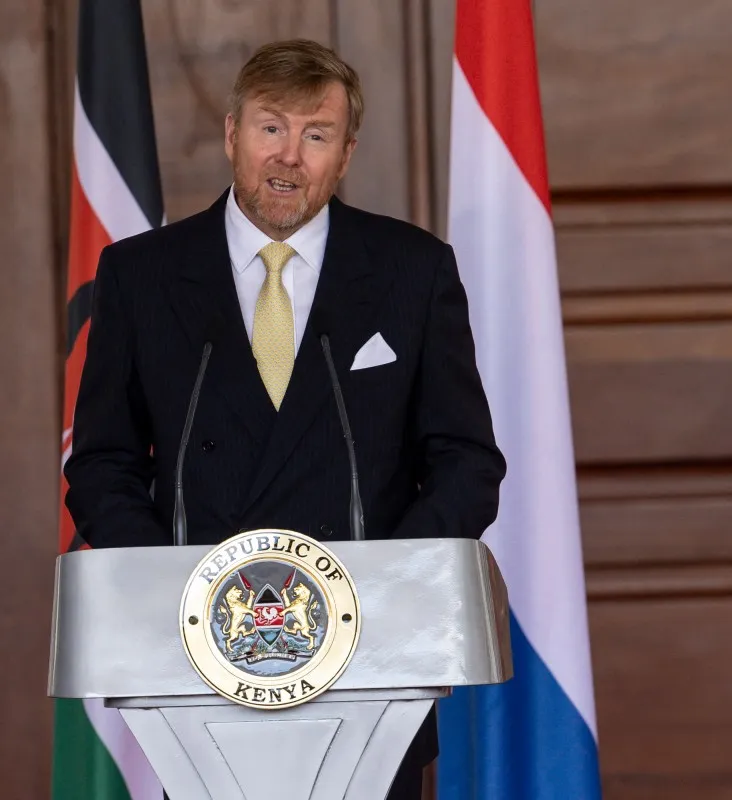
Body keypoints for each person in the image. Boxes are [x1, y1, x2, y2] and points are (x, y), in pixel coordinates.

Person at [63, 39, 506, 800]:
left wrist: (377, 589)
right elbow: (102, 461)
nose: (289, 157)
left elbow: (467, 461)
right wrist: (180, 590)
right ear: (233, 134)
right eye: (272, 128)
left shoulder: (412, 269)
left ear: (346, 152)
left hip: (373, 666)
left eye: (316, 134)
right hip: (201, 664)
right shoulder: (141, 275)